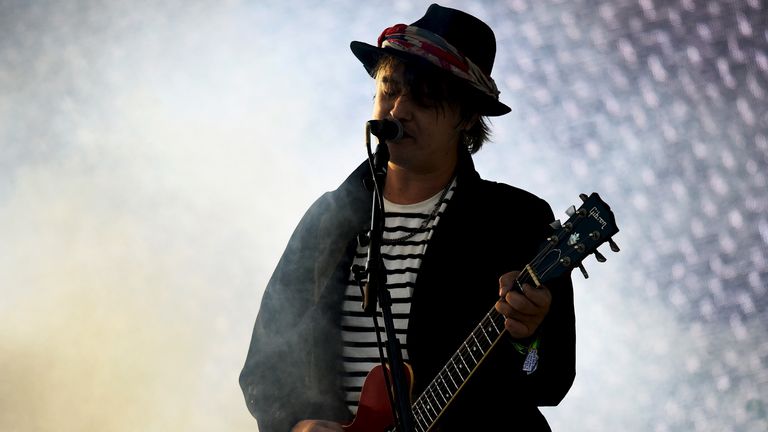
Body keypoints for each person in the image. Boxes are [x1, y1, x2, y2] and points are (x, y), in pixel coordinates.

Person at [240, 4, 575, 431]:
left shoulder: (515, 220)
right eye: (390, 89)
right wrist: (297, 424)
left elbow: (548, 381)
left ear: (468, 116)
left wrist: (529, 338)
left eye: (424, 97)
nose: (398, 110)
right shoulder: (327, 220)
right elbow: (265, 365)